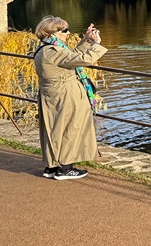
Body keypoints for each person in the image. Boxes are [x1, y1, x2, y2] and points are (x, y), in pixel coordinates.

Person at [33, 16, 106, 180]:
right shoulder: (52, 52)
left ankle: (52, 166)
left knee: (55, 129)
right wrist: (97, 44)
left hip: (55, 94)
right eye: (65, 30)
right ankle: (65, 168)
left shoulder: (46, 48)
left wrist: (86, 40)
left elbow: (70, 56)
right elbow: (83, 59)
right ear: (54, 32)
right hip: (65, 94)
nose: (68, 33)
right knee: (71, 128)